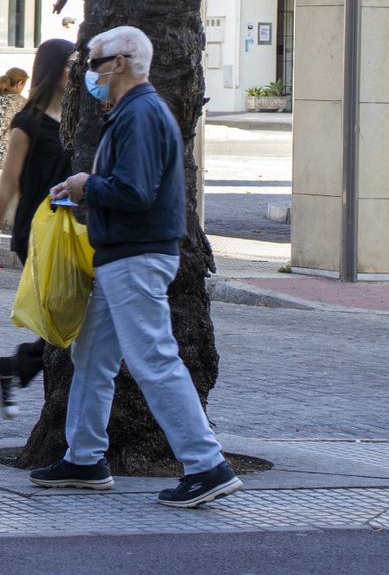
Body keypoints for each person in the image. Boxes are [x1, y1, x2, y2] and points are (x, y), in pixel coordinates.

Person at [35, 25, 242, 509]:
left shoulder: (141, 114)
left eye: (93, 62)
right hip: (123, 255)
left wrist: (88, 185)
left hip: (136, 255)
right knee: (92, 357)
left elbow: (135, 190)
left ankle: (207, 464)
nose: (88, 72)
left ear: (120, 62)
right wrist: (84, 186)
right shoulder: (133, 112)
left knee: (153, 358)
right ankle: (84, 459)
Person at [0, 39, 76, 418]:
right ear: (53, 69)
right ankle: (17, 367)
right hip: (39, 232)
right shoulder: (27, 122)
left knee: (76, 320)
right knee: (69, 320)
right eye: (70, 64)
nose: (76, 71)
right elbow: (6, 186)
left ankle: (15, 367)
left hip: (76, 232)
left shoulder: (80, 119)